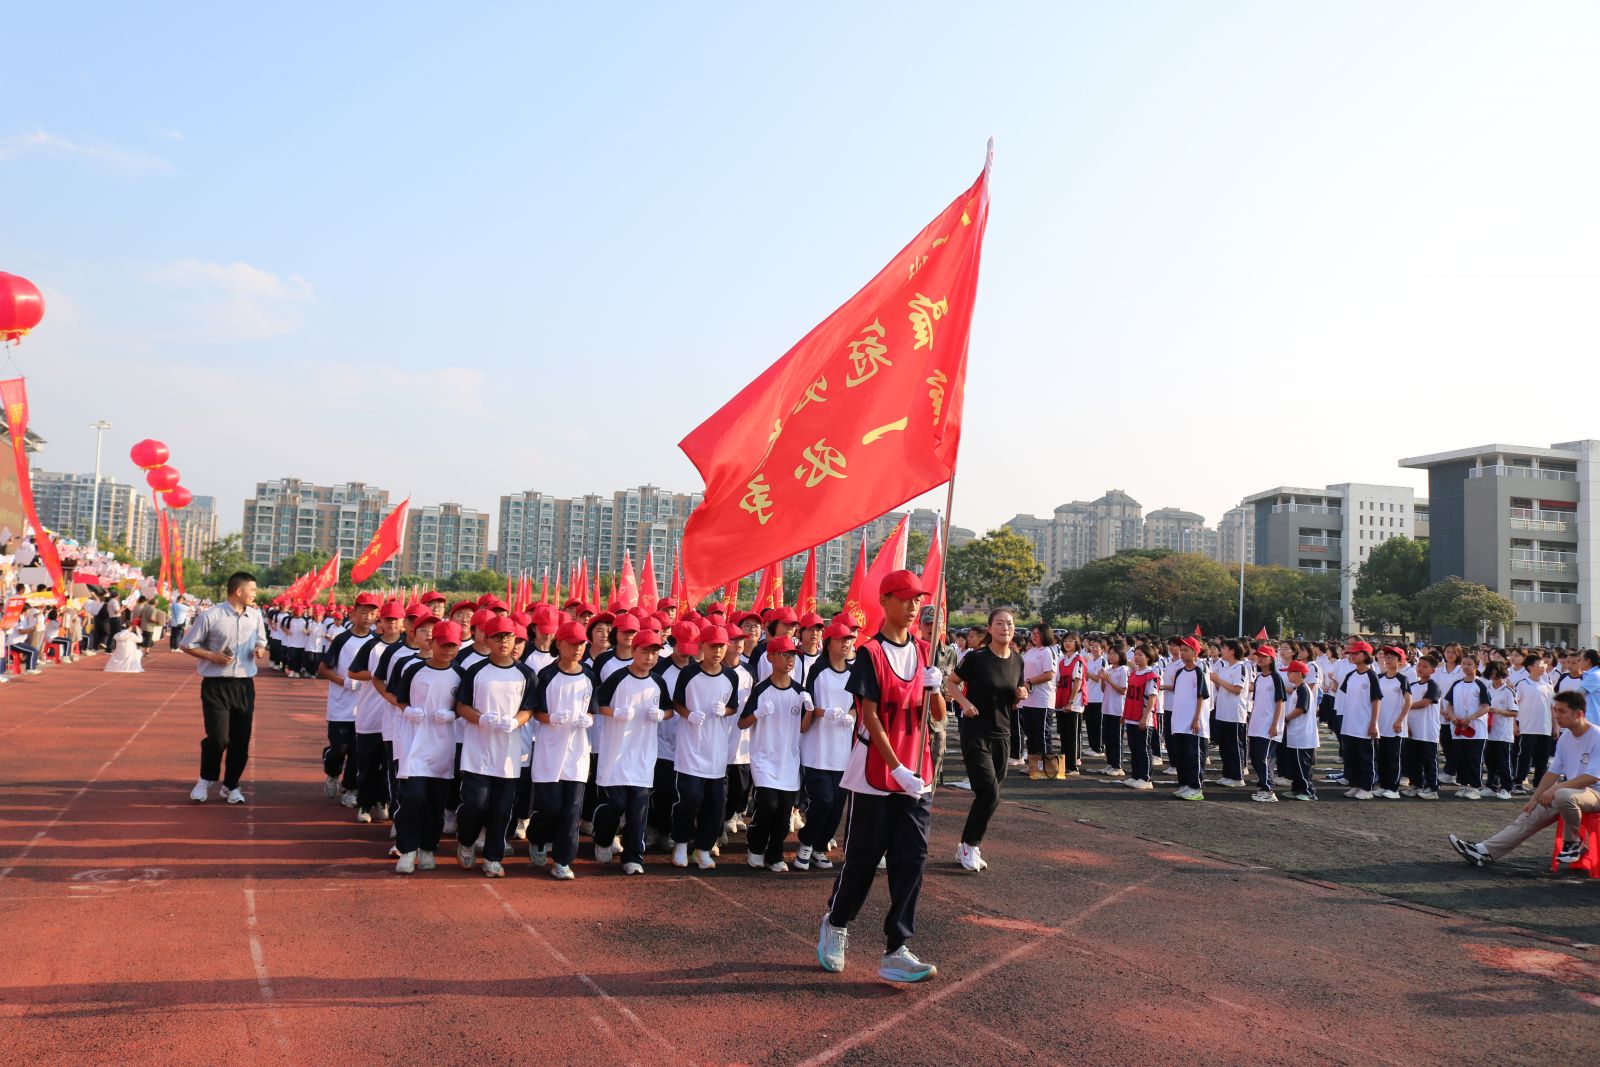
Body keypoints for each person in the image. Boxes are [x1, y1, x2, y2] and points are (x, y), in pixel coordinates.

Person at [817, 568, 945, 984]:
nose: (913, 607)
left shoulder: (925, 651)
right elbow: (869, 718)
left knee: (912, 859)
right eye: (905, 599)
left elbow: (938, 717)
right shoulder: (870, 654)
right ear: (885, 601)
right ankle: (837, 922)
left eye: (918, 600)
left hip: (918, 770)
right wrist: (896, 768)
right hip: (876, 771)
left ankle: (896, 948)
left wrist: (936, 687)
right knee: (864, 858)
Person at [1450, 689, 1600, 868]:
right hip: (1572, 793)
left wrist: (1556, 788)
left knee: (1563, 795)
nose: (1556, 715)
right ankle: (1483, 850)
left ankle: (1574, 843)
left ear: (1579, 714)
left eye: (1562, 711)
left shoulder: (1597, 736)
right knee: (1530, 815)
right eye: (1555, 710)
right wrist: (1534, 799)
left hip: (1594, 793)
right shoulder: (1565, 738)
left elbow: (1592, 777)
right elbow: (1552, 773)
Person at [454, 616, 538, 878]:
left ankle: (492, 857)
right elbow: (461, 706)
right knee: (476, 803)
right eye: (498, 637)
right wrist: (480, 719)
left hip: (509, 754)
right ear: (487, 640)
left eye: (508, 637)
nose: (504, 642)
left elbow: (529, 709)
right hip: (477, 751)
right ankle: (466, 841)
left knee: (502, 809)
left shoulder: (525, 674)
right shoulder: (475, 671)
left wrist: (515, 722)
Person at [178, 572, 270, 804]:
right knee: (218, 738)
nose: (255, 594)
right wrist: (212, 656)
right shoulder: (212, 615)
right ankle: (206, 778)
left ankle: (231, 785)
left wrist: (259, 649)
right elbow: (187, 644)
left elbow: (262, 640)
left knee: (241, 740)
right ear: (238, 591)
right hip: (216, 685)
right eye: (253, 590)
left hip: (244, 685)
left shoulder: (255, 615)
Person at [948, 608, 1025, 870]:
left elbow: (1013, 698)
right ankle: (970, 846)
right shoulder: (976, 658)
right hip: (976, 732)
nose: (1005, 628)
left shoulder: (1017, 660)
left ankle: (965, 846)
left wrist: (1020, 696)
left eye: (1009, 624)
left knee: (989, 795)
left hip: (1002, 734)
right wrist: (964, 703)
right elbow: (951, 683)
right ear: (990, 629)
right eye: (1000, 624)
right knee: (989, 792)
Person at [593, 629, 671, 875]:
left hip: (643, 755)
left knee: (638, 810)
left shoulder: (658, 682)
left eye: (654, 653)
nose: (649, 657)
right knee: (615, 804)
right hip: (615, 754)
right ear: (634, 651)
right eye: (644, 652)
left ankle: (633, 857)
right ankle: (603, 838)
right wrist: (614, 712)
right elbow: (596, 704)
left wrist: (662, 714)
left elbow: (669, 709)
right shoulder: (617, 678)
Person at [389, 619, 462, 874]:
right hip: (414, 743)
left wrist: (453, 715)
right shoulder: (413, 670)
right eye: (443, 644)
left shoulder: (460, 675)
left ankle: (428, 848)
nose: (448, 650)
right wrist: (408, 710)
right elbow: (399, 698)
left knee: (435, 801)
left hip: (442, 747)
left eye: (453, 646)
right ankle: (407, 850)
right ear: (432, 642)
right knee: (412, 798)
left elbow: (464, 707)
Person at [529, 621, 598, 880]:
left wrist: (587, 718)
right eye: (573, 643)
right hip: (550, 749)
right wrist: (552, 718)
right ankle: (537, 838)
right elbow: (536, 712)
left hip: (577, 751)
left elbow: (592, 709)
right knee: (550, 806)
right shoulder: (547, 675)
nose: (578, 648)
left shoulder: (589, 676)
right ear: (560, 644)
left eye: (581, 644)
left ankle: (562, 860)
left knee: (572, 809)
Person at [671, 624, 739, 870]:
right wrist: (688, 714)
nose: (717, 651)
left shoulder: (731, 676)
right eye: (713, 646)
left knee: (714, 804)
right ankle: (680, 844)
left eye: (721, 647)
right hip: (690, 748)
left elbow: (733, 706)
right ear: (702, 646)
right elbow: (676, 702)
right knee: (690, 799)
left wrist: (725, 711)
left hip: (717, 750)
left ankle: (702, 849)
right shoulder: (689, 673)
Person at [740, 635, 807, 871]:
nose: (790, 660)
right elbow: (742, 723)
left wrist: (810, 710)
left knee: (784, 813)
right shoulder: (761, 690)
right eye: (784, 655)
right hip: (764, 759)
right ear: (770, 657)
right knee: (768, 805)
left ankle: (775, 854)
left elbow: (804, 728)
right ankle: (756, 847)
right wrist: (758, 713)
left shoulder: (800, 691)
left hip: (789, 760)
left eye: (793, 656)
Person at [1018, 622, 1057, 778]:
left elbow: (1050, 674)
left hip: (1042, 699)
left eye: (1037, 634)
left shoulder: (1047, 651)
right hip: (1028, 699)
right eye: (1032, 633)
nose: (1034, 636)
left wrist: (1029, 681)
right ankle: (1033, 766)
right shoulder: (1032, 651)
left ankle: (1047, 768)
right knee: (1031, 734)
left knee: (1042, 735)